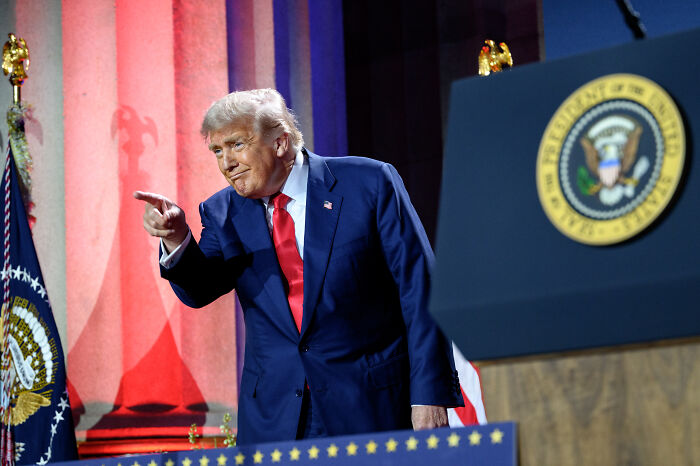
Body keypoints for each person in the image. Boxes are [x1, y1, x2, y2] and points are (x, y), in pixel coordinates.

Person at [135, 89, 462, 445]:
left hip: (369, 405)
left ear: (280, 143)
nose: (226, 162)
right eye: (217, 150)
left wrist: (429, 394)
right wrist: (177, 238)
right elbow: (198, 290)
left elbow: (420, 289)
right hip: (275, 420)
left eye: (236, 145)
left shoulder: (369, 183)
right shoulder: (223, 212)